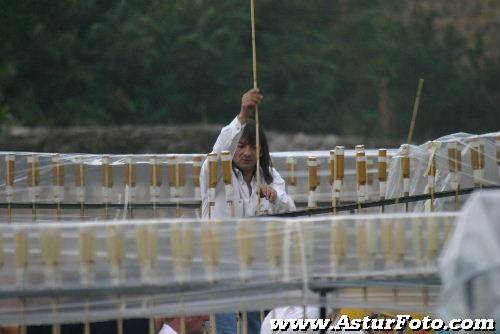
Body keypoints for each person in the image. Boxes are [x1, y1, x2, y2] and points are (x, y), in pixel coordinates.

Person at [199, 88, 296, 334]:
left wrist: (275, 198)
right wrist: (242, 115)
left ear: (261, 151)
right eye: (241, 146)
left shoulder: (269, 176)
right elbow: (219, 150)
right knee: (226, 321)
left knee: (257, 321)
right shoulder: (217, 174)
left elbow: (290, 208)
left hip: (256, 262)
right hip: (222, 258)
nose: (246, 152)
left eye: (253, 147)